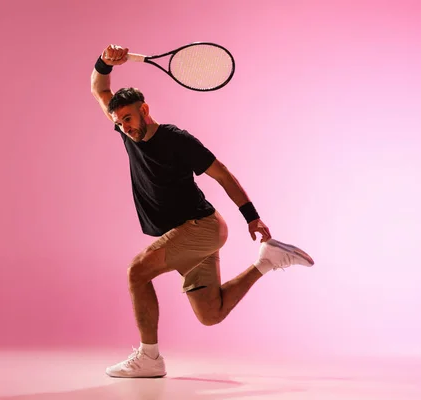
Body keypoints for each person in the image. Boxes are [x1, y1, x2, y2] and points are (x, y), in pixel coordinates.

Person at [90, 44, 315, 378]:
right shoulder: (126, 133)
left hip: (201, 228)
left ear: (145, 109)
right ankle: (266, 261)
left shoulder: (176, 140)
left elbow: (222, 173)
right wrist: (104, 62)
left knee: (137, 271)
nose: (125, 127)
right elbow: (100, 87)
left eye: (128, 118)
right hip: (185, 235)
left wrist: (251, 216)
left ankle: (149, 359)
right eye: (119, 121)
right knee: (211, 313)